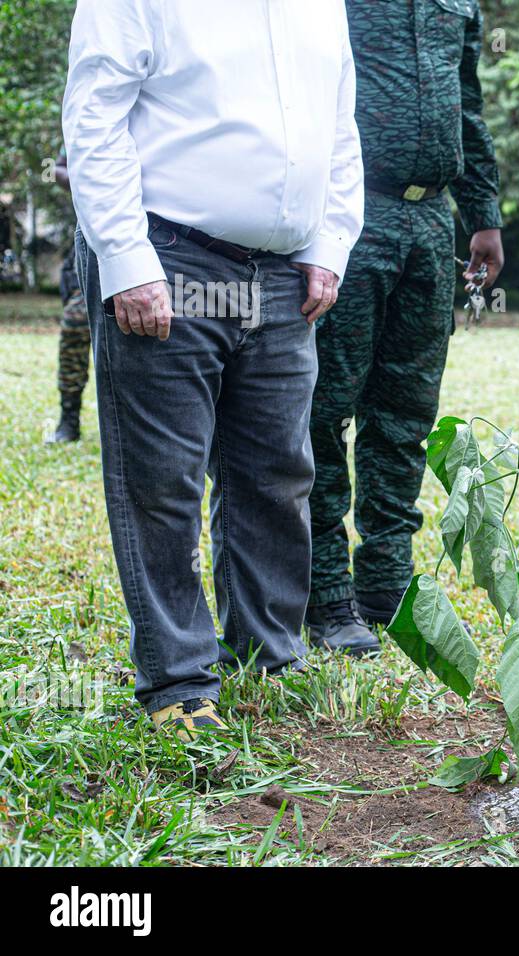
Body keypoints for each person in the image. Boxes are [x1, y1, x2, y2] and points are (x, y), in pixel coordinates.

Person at [63, 0, 364, 738]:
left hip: (282, 273)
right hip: (168, 253)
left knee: (277, 474)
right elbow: (95, 116)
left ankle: (267, 656)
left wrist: (329, 245)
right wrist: (127, 259)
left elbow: (339, 130)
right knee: (161, 481)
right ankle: (178, 679)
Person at [305, 0, 506, 653]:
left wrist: (484, 214)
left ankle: (386, 584)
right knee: (323, 410)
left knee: (404, 417)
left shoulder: (460, 5)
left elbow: (467, 105)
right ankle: (324, 593)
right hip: (349, 214)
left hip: (430, 223)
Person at [46, 149, 91, 445]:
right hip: (92, 240)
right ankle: (69, 419)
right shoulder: (91, 116)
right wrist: (93, 180)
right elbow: (54, 169)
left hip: (165, 243)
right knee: (75, 324)